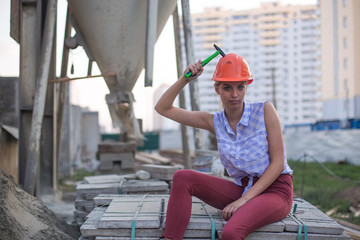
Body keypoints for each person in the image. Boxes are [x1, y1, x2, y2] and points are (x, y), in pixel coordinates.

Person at [155, 53, 293, 240]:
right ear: (217, 88)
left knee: (230, 232)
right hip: (242, 188)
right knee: (182, 177)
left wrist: (243, 201)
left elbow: (277, 164)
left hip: (275, 191)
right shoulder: (215, 122)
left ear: (246, 87)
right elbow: (163, 108)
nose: (234, 94)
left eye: (240, 87)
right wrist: (185, 79)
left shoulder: (264, 111)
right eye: (227, 87)